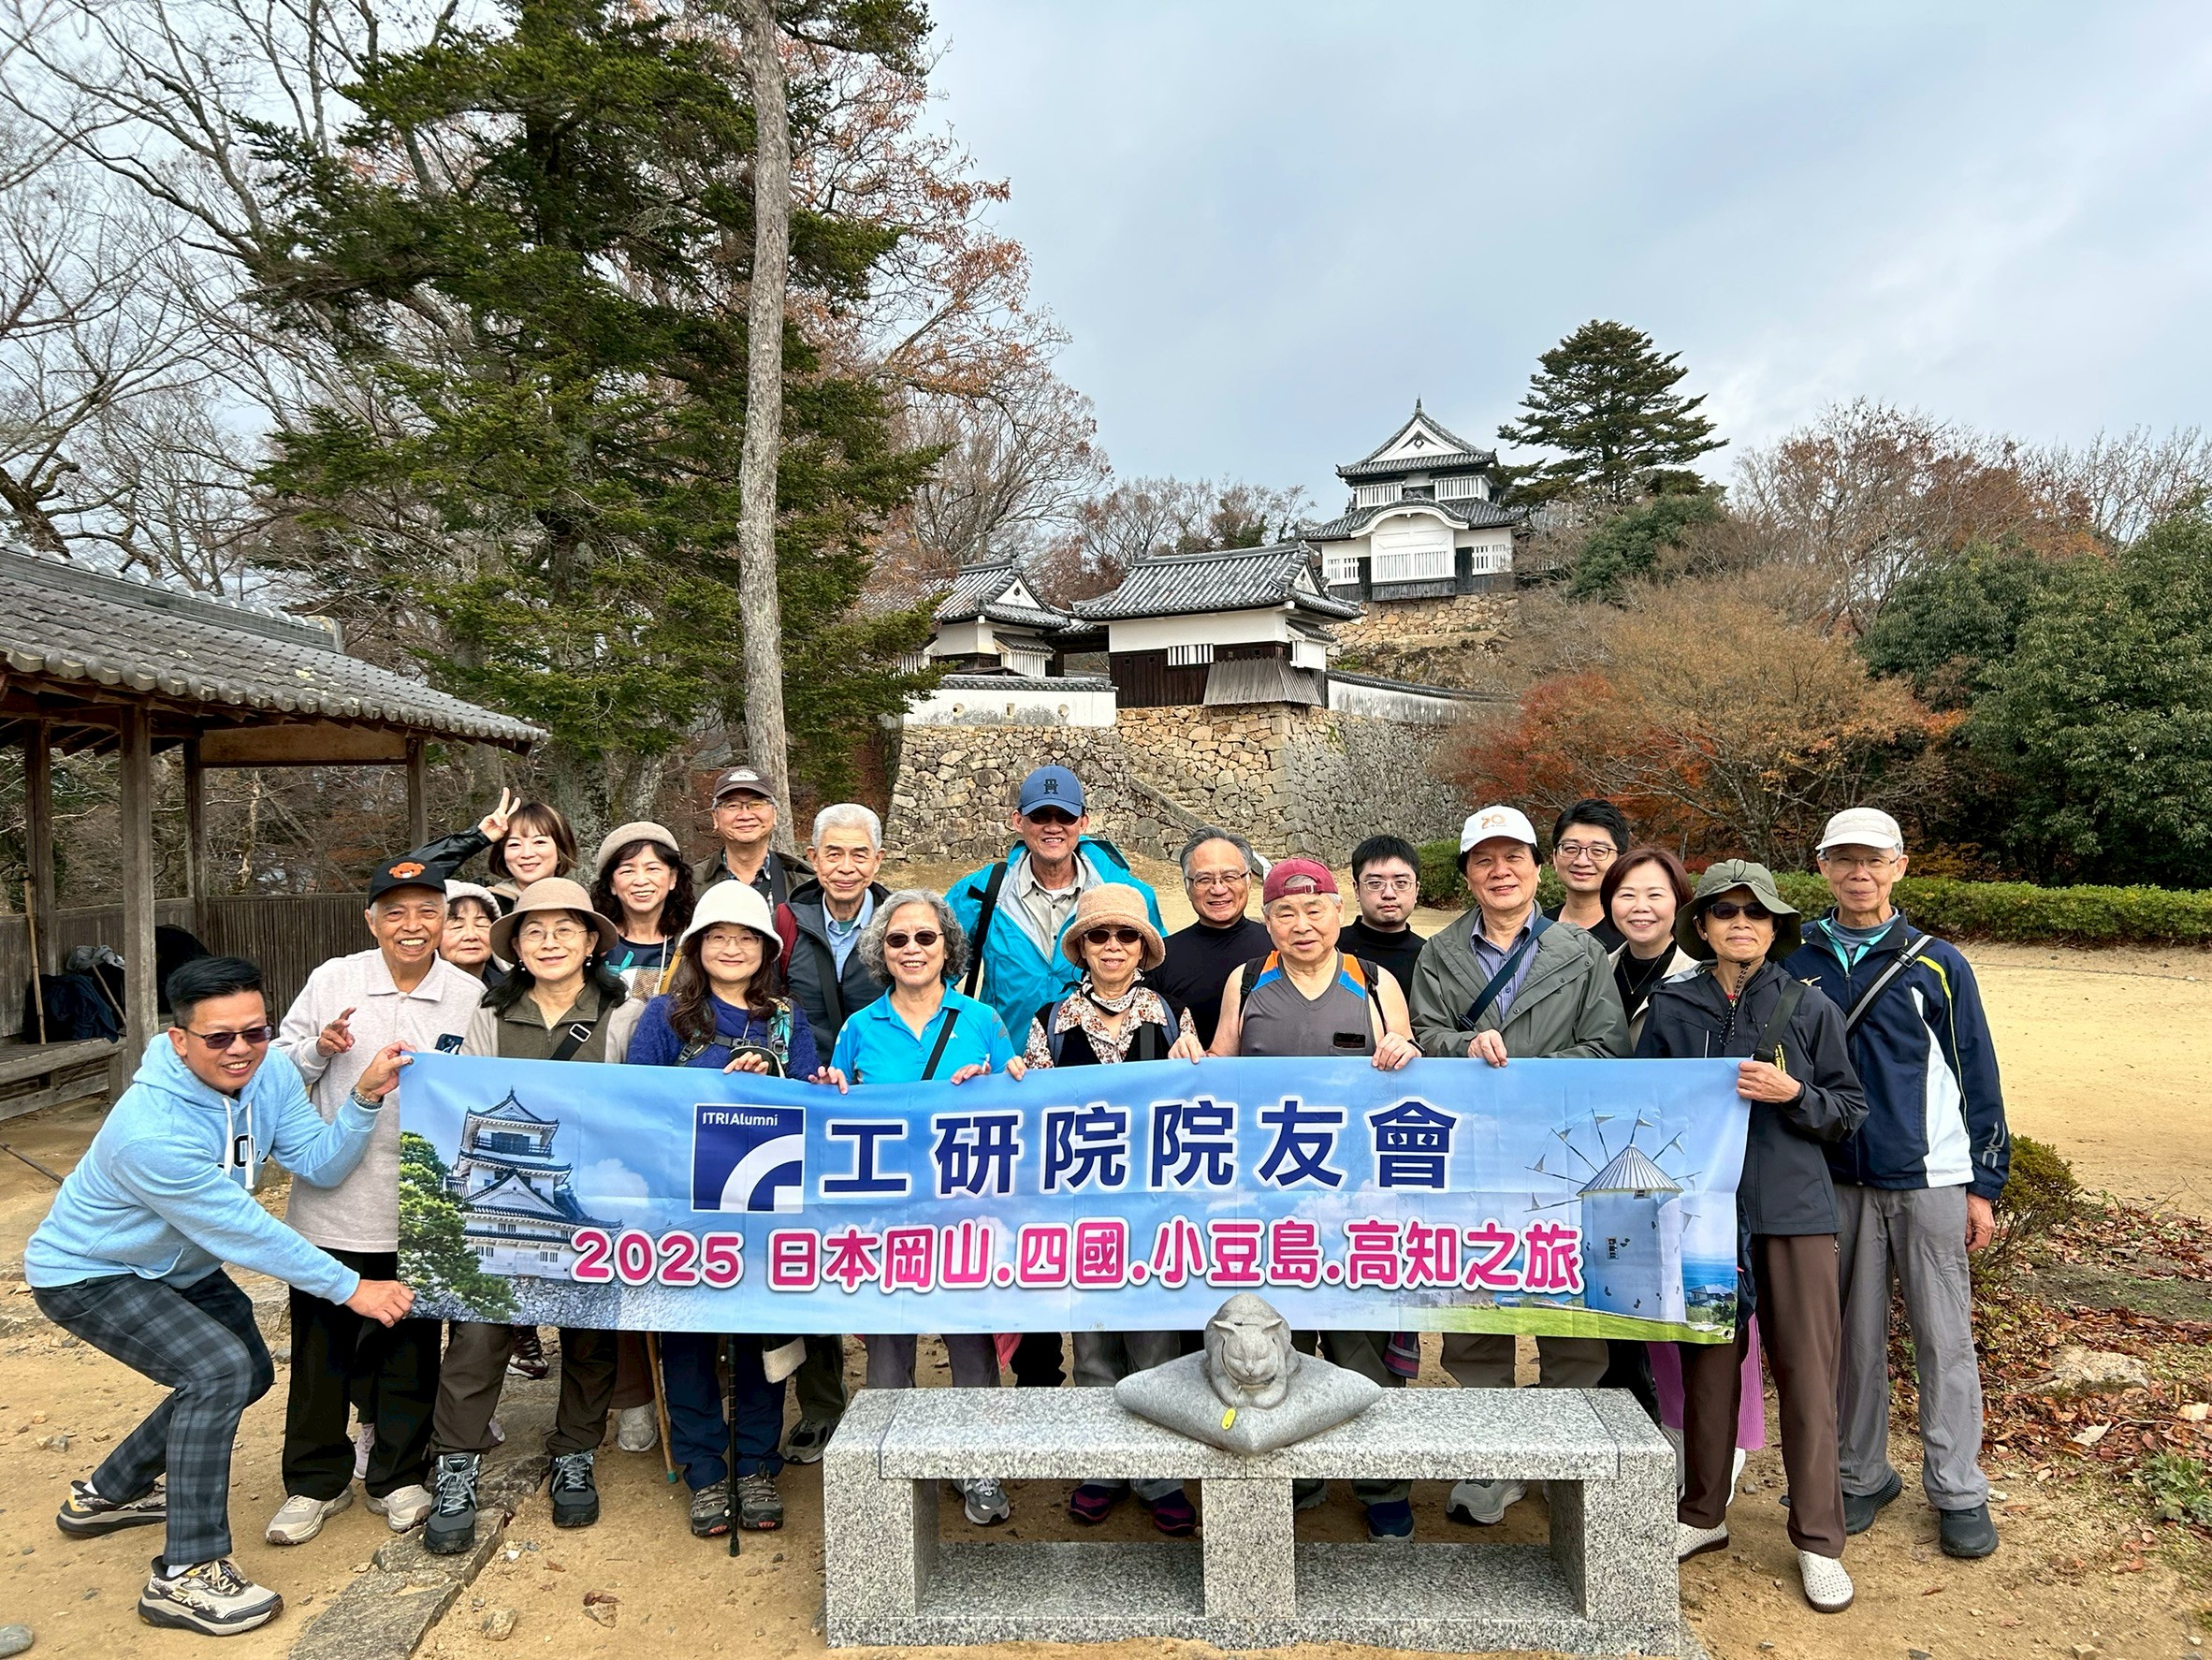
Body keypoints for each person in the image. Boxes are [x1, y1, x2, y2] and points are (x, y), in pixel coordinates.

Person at [27, 956, 414, 1637]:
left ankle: (109, 1492)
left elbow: (318, 1163)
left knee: (249, 1371)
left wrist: (361, 1100)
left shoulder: (269, 1075)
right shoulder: (151, 1130)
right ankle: (186, 1573)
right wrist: (351, 1286)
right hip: (90, 1272)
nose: (241, 1050)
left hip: (179, 1267)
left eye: (255, 1031)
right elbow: (242, 1229)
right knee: (217, 1371)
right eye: (219, 1037)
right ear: (179, 1040)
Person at [1637, 861, 1867, 1615]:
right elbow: (1645, 1107)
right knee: (1708, 1365)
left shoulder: (1810, 1005)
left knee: (1807, 1372)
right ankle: (1702, 1512)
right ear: (1702, 926)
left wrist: (1794, 1093)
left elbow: (1849, 1110)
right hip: (1703, 1213)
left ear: (1776, 927)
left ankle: (1819, 1540)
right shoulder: (1673, 1007)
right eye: (1726, 912)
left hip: (1795, 1213)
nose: (1742, 924)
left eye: (1756, 913)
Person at [1786, 807, 2008, 1561]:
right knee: (1851, 1341)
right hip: (1836, 1178)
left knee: (1944, 1338)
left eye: (1874, 860)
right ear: (1822, 867)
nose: (1859, 873)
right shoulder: (1798, 960)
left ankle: (1958, 1487)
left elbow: (1977, 1073)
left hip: (1928, 1177)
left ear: (1899, 867)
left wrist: (1984, 1184)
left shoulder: (1937, 963)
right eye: (1844, 859)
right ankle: (1860, 1473)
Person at [1406, 806, 1627, 1528]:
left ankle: (1569, 1457)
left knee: (1571, 1306)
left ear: (1538, 868)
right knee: (1477, 1307)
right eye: (1484, 860)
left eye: (1513, 858)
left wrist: (1525, 1069)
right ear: (1467, 874)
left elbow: (1608, 1047)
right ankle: (1492, 1458)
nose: (1500, 871)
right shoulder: (1440, 953)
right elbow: (1424, 1036)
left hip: (1564, 1154)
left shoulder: (1581, 951)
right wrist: (1463, 1048)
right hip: (1472, 1154)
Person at [266, 853, 488, 1549]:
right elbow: (275, 1068)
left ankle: (398, 1476)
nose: (412, 925)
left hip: (420, 1205)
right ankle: (314, 1481)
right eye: (395, 913)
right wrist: (318, 1050)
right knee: (320, 1351)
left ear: (445, 921)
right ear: (371, 920)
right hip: (332, 1201)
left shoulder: (469, 995)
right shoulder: (334, 979)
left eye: (427, 912)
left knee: (410, 1349)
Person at [1210, 858, 1419, 1541]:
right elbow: (1220, 1064)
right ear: (1267, 922)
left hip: (1357, 1201)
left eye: (1314, 910)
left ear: (1338, 911)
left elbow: (1411, 1072)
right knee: (1278, 1336)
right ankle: (1295, 1474)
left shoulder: (1375, 980)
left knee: (1361, 1342)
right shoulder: (1247, 980)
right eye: (1285, 913)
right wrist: (1191, 1057)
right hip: (1267, 1197)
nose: (1302, 925)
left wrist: (1404, 1051)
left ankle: (1382, 1479)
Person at [423, 879, 634, 1556]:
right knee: (479, 1333)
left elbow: (642, 1106)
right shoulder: (491, 1013)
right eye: (534, 931)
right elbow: (464, 1100)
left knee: (589, 1334)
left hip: (587, 1199)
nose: (549, 943)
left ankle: (575, 1450)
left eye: (565, 929)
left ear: (592, 940)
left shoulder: (624, 1012)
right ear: (515, 945)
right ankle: (456, 1463)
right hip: (495, 1195)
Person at [945, 764, 1160, 1388]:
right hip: (1013, 1089)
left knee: (1108, 1232)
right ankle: (1037, 1374)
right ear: (1018, 822)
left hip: (1108, 1098)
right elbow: (940, 979)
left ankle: (1130, 1377)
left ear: (1082, 822)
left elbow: (1151, 982)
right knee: (1028, 1234)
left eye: (1064, 817)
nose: (1052, 827)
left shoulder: (1125, 892)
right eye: (1039, 817)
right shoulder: (978, 893)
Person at [822, 890, 1026, 1526]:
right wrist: (832, 1088)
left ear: (948, 947)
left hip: (966, 1213)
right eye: (897, 939)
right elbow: (835, 1112)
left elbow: (1019, 1105)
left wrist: (997, 1081)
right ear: (881, 952)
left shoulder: (983, 1021)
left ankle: (979, 1465)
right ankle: (889, 1471)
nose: (912, 949)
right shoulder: (859, 1028)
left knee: (971, 1344)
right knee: (888, 1347)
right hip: (886, 1217)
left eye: (925, 937)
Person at [623, 881, 819, 1537]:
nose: (731, 949)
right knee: (687, 1337)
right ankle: (706, 1470)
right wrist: (712, 1084)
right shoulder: (665, 1017)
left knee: (763, 1333)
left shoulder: (787, 1020)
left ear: (765, 950)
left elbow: (813, 1104)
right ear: (696, 946)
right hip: (682, 1203)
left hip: (767, 1205)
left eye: (745, 938)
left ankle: (758, 1463)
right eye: (717, 937)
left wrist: (777, 1080)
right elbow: (638, 1102)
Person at [1020, 885, 1204, 1536]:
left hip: (1154, 1210)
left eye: (1126, 936)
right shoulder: (1050, 1020)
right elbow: (1034, 1111)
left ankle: (1157, 1471)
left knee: (1154, 1344)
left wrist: (1196, 1066)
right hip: (1082, 1209)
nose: (1113, 947)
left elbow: (1197, 1102)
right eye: (1099, 936)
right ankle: (1102, 1463)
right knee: (1094, 1343)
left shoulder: (1171, 1016)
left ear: (1143, 948)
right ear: (1082, 947)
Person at [1603, 845, 1766, 1482]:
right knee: (1653, 1315)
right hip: (1624, 1171)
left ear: (1682, 907)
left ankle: (1723, 1460)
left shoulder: (1712, 980)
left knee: (1719, 1307)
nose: (1640, 907)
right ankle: (1670, 1451)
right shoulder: (1592, 968)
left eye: (1656, 894)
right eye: (1627, 894)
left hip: (1712, 1176)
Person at [770, 801, 892, 1464]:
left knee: (889, 1250)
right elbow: (767, 1006)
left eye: (858, 854)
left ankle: (893, 1399)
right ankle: (821, 1403)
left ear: (877, 859)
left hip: (887, 1115)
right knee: (811, 1252)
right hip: (806, 1110)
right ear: (813, 860)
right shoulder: (785, 923)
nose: (846, 867)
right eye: (833, 854)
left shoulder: (904, 921)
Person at [1151, 826, 1269, 1049]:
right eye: (1204, 879)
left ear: (1248, 880)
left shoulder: (1279, 947)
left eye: (1230, 877)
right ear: (1187, 886)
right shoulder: (1160, 958)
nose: (1218, 889)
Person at [590, 821, 696, 997]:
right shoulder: (593, 942)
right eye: (627, 871)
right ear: (611, 884)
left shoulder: (693, 943)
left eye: (652, 869)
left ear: (673, 878)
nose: (640, 881)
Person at [697, 766, 811, 909]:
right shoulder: (690, 884)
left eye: (756, 804)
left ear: (775, 814)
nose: (745, 816)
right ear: (715, 817)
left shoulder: (809, 883)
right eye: (732, 805)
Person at [1341, 833, 1427, 996]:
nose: (1389, 894)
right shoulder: (1332, 950)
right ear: (1356, 890)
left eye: (1401, 883)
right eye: (1375, 883)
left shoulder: (1430, 958)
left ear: (1416, 890)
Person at [1541, 798, 1630, 952]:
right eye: (1570, 848)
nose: (1582, 861)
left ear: (1620, 861)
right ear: (1554, 857)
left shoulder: (1631, 933)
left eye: (1598, 851)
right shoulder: (1535, 928)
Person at [439, 880, 506, 985]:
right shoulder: (415, 991)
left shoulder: (512, 990)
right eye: (457, 927)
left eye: (481, 925)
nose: (471, 935)